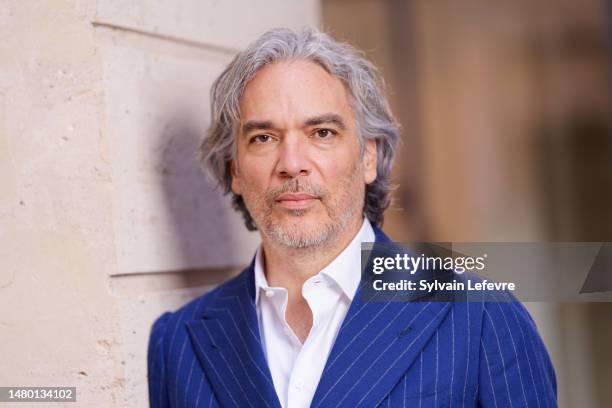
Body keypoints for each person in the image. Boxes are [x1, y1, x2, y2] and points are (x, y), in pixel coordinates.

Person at [147, 27, 557, 408]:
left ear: (367, 156)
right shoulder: (177, 343)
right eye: (263, 138)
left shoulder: (479, 315)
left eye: (322, 133)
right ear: (234, 168)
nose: (292, 164)